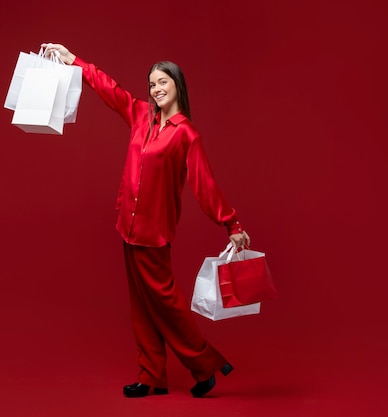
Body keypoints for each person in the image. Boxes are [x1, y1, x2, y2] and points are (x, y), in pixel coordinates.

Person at [42, 43, 251, 398]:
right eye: (152, 84)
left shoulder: (186, 134)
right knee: (141, 306)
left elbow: (205, 185)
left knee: (166, 304)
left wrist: (231, 224)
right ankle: (152, 376)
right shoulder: (141, 116)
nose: (156, 89)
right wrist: (73, 60)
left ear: (177, 85)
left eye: (162, 82)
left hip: (154, 232)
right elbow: (110, 89)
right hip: (128, 225)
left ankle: (205, 364)